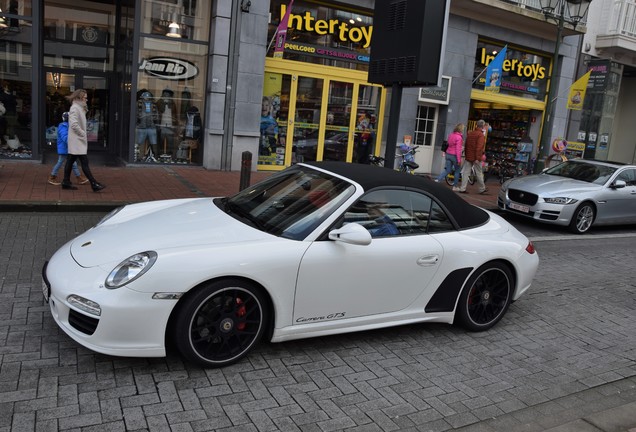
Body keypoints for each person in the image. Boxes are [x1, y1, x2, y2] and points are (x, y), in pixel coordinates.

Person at [61, 89, 105, 192]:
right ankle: (93, 183)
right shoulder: (75, 108)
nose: (87, 99)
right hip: (77, 140)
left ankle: (66, 182)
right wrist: (83, 134)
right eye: (85, 98)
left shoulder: (79, 108)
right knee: (84, 162)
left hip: (77, 140)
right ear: (79, 98)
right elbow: (74, 124)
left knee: (70, 161)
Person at [48, 112, 87, 186]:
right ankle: (52, 176)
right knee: (61, 162)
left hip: (67, 149)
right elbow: (65, 138)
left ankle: (79, 177)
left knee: (73, 163)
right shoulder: (64, 127)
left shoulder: (67, 126)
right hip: (65, 149)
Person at [458, 119, 488, 194]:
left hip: (469, 156)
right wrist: (478, 158)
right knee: (479, 172)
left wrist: (467, 155)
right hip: (476, 157)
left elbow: (467, 145)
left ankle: (462, 188)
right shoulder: (480, 135)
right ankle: (482, 188)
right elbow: (479, 147)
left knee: (466, 172)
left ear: (476, 125)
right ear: (483, 126)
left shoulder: (471, 134)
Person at [436, 123, 464, 190]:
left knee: (448, 169)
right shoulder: (459, 137)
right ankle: (455, 186)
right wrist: (459, 160)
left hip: (448, 154)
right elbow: (458, 149)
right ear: (461, 129)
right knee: (457, 171)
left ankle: (438, 179)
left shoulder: (451, 135)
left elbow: (448, 144)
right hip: (454, 156)